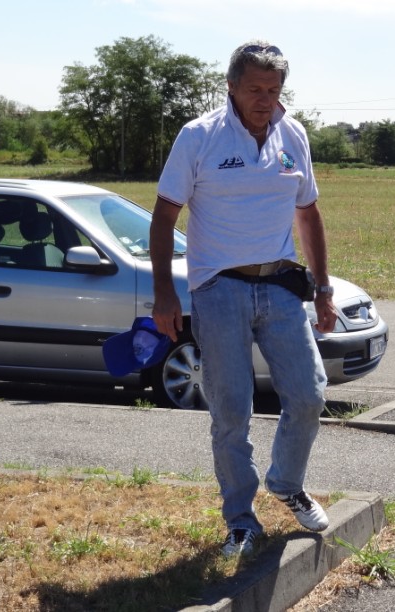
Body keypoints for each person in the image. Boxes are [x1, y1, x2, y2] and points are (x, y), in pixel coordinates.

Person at [149, 40, 336, 558]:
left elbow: (308, 213)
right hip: (219, 288)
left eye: (273, 90)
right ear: (231, 86)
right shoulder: (199, 136)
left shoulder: (293, 134)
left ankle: (287, 483)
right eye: (255, 89)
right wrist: (165, 293)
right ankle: (240, 520)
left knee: (309, 395)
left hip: (280, 286)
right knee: (231, 411)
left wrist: (323, 287)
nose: (264, 100)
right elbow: (164, 216)